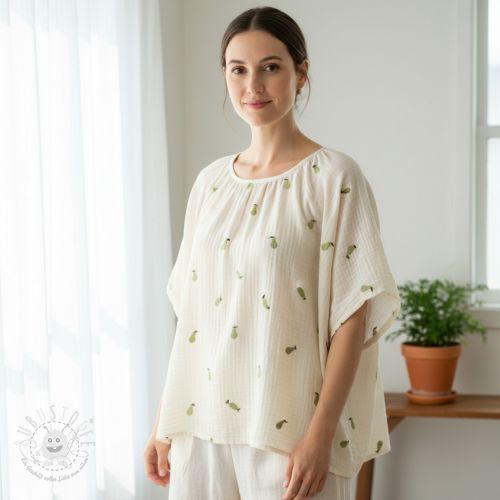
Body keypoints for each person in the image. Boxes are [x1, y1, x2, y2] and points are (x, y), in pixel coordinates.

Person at [144, 6, 401, 499]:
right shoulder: (210, 184)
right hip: (200, 428)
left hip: (290, 432)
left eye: (270, 67)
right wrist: (164, 423)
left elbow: (353, 316)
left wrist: (320, 435)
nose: (253, 85)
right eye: (238, 69)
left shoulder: (335, 178)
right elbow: (193, 319)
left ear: (301, 73)